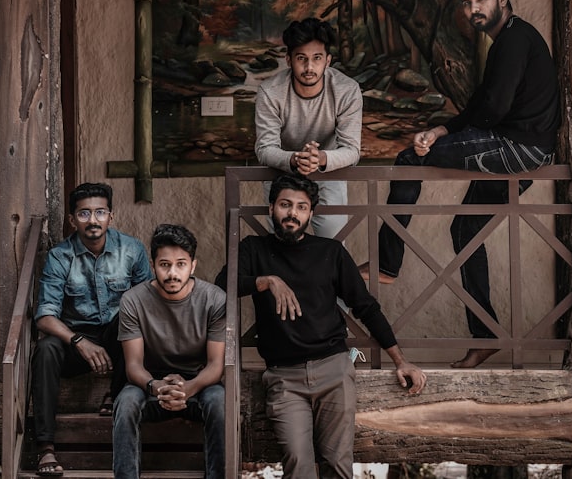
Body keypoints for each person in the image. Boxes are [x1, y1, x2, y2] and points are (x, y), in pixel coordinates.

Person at [365, 0, 561, 368]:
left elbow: (492, 110)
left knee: (407, 159)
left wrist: (446, 139)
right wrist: (440, 132)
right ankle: (486, 335)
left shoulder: (514, 40)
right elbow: (479, 105)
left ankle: (387, 261)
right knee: (465, 228)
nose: (474, 8)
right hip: (521, 149)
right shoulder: (505, 40)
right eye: (467, 2)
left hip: (514, 149)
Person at [216, 174, 426, 479]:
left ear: (310, 214)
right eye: (285, 205)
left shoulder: (331, 252)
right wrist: (267, 281)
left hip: (334, 371)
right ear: (272, 207)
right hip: (284, 379)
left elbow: (365, 307)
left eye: (301, 207)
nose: (292, 213)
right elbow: (222, 286)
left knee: (338, 464)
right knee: (298, 464)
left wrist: (400, 360)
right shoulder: (253, 249)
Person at [31, 182, 152, 477]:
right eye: (84, 214)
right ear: (73, 220)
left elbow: (150, 305)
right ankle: (46, 445)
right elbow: (45, 316)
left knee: (131, 316)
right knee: (46, 348)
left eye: (100, 212)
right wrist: (79, 341)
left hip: (119, 339)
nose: (93, 220)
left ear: (111, 216)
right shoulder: (60, 257)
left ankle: (116, 393)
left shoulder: (132, 249)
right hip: (76, 344)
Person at [113, 224, 226, 479]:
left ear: (193, 266)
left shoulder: (214, 299)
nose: (172, 273)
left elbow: (216, 365)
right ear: (153, 266)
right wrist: (156, 386)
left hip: (199, 385)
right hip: (151, 384)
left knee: (220, 402)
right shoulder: (133, 300)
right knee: (126, 402)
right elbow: (133, 366)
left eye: (181, 264)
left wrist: (189, 387)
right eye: (164, 265)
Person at [254, 17, 363, 239]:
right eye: (301, 58)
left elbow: (352, 150)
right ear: (288, 60)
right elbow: (264, 149)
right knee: (280, 243)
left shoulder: (347, 90)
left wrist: (320, 158)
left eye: (317, 58)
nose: (309, 67)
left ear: (328, 60)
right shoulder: (270, 91)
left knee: (332, 243)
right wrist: (295, 159)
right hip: (281, 171)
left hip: (328, 171)